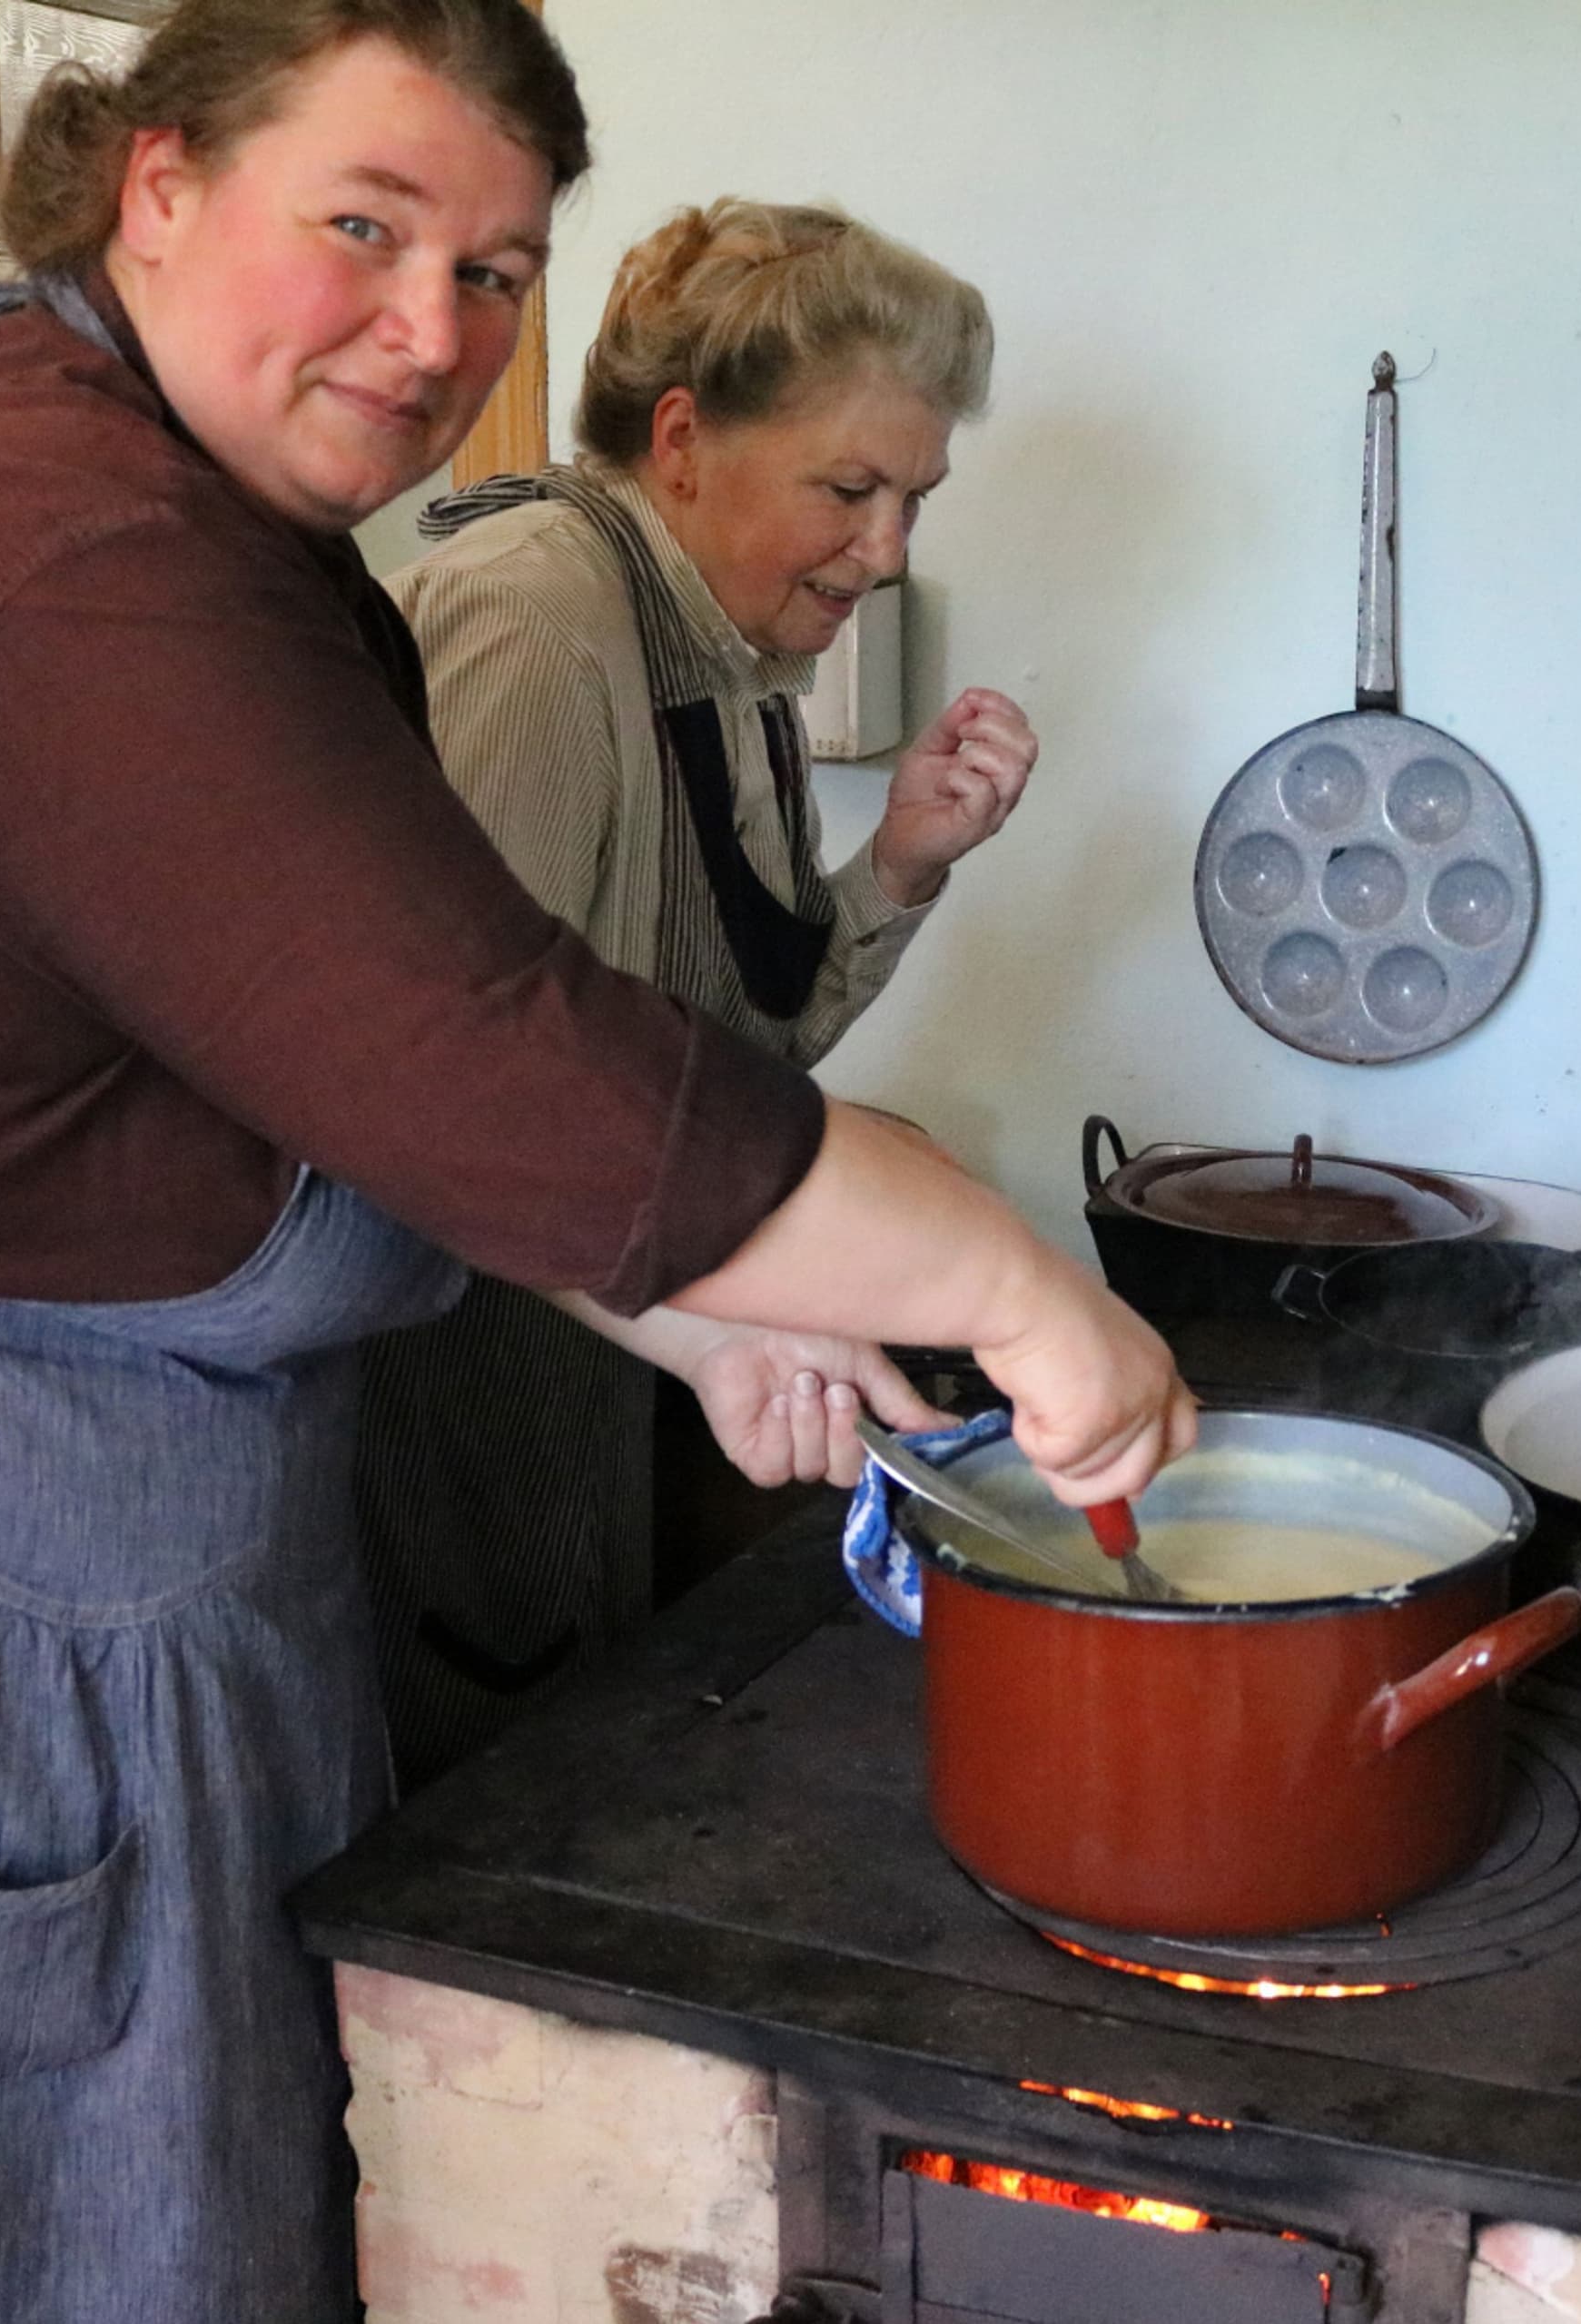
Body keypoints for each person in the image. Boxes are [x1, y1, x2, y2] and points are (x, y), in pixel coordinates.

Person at [0, 5, 1188, 2319]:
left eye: (496, 274)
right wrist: (1031, 1295)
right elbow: (492, 1055)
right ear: (155, 188)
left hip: (44, 1558)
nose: (431, 330)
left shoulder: (206, 531)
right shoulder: (51, 546)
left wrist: (710, 1305)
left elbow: (331, 1055)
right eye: (366, 225)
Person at [359, 199, 1034, 1783]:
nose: (888, 553)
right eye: (850, 490)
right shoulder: (535, 625)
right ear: (682, 441)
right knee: (464, 1834)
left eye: (914, 499)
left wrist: (904, 866)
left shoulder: (728, 663)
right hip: (456, 1396)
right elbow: (447, 1108)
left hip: (612, 1375)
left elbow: (747, 1040)